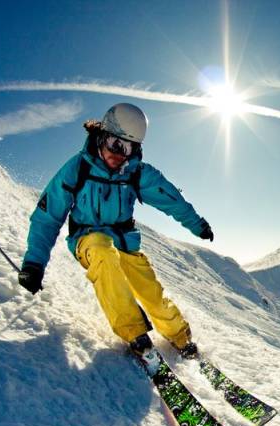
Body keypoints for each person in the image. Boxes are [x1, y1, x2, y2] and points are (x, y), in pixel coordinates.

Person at [18, 103, 213, 364]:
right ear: (102, 136)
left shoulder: (136, 173)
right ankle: (135, 334)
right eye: (115, 144)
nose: (120, 154)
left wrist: (197, 224)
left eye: (129, 148)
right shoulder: (78, 168)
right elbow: (48, 216)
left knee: (149, 290)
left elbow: (171, 199)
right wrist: (34, 263)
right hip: (88, 240)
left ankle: (180, 337)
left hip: (125, 242)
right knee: (102, 251)